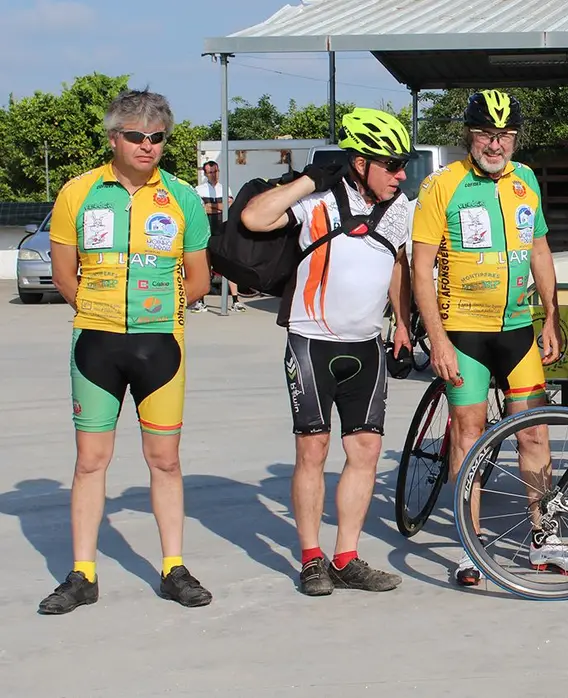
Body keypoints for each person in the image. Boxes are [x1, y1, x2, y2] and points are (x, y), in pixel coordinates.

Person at [40, 89, 214, 614]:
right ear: (113, 137)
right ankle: (82, 574)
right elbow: (64, 274)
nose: (147, 146)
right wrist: (103, 312)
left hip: (161, 343)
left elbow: (200, 280)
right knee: (91, 462)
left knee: (164, 460)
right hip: (94, 342)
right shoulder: (78, 192)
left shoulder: (182, 196)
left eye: (157, 137)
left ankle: (173, 568)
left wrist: (152, 312)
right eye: (136, 136)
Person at [238, 107, 414, 595]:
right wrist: (308, 179)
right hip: (311, 340)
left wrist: (401, 322)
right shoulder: (317, 200)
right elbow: (255, 217)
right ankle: (312, 557)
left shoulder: (399, 207)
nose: (401, 174)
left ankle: (347, 556)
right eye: (391, 164)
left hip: (367, 345)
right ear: (360, 163)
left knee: (366, 450)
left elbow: (399, 264)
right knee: (312, 450)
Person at [410, 90, 567, 587]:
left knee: (535, 433)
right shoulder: (443, 185)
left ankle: (544, 533)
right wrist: (435, 339)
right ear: (468, 136)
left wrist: (551, 316)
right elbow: (420, 268)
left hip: (518, 329)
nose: (495, 145)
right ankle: (469, 544)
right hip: (463, 332)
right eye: (485, 134)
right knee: (468, 435)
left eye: (504, 136)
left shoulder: (526, 181)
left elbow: (540, 249)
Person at [190, 161, 244, 313]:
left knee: (229, 263)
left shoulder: (224, 188)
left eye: (215, 171)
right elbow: (202, 209)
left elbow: (230, 206)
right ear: (205, 174)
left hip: (223, 231)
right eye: (210, 172)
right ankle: (200, 300)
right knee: (205, 265)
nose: (213, 175)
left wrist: (214, 207)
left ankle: (235, 300)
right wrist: (220, 207)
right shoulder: (199, 189)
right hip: (206, 231)